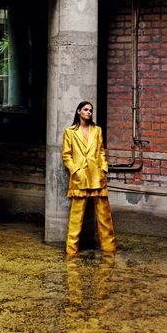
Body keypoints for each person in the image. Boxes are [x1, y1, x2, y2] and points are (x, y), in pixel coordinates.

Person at [62, 101, 116, 256]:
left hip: (97, 176)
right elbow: (66, 155)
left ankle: (109, 249)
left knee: (104, 216)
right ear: (79, 111)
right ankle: (71, 251)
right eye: (85, 109)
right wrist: (76, 170)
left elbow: (101, 152)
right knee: (76, 217)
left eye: (91, 110)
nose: (89, 112)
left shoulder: (97, 130)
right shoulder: (69, 132)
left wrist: (103, 168)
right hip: (80, 177)